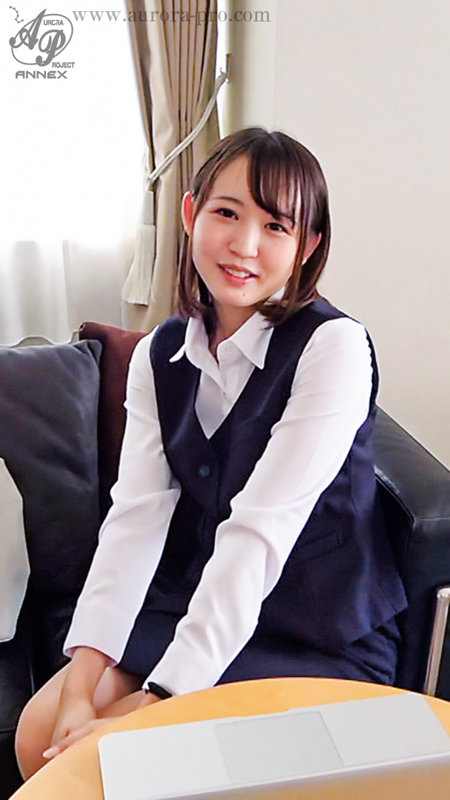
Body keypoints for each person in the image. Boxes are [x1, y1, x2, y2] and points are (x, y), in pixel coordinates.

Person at [15, 127, 407, 778]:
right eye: (227, 213)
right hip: (193, 599)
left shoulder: (333, 349)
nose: (245, 245)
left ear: (307, 246)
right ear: (191, 213)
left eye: (276, 226)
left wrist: (158, 703)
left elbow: (259, 534)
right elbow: (136, 519)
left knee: (110, 762)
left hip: (311, 626)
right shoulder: (160, 353)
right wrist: (81, 683)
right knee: (40, 736)